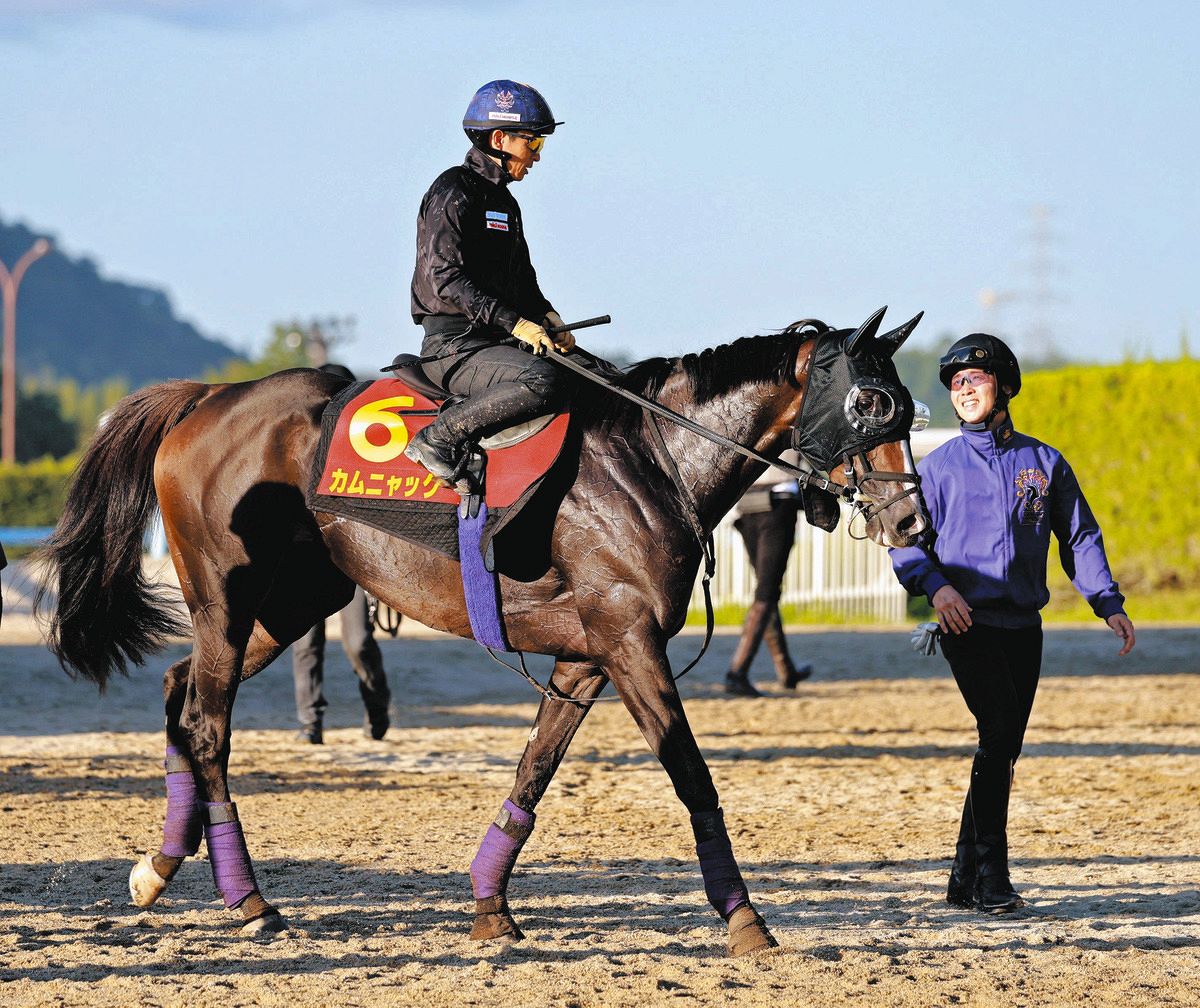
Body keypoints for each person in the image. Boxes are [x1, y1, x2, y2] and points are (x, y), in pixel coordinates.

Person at [889, 333, 1135, 913]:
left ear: (1002, 382)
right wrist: (938, 587)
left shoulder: (1045, 463)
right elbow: (903, 542)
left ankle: (961, 878)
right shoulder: (938, 467)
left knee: (1001, 746)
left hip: (1025, 627)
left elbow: (1079, 535)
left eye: (973, 378)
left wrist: (1108, 601)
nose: (963, 389)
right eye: (954, 383)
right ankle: (993, 877)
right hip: (963, 622)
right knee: (999, 735)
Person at [403, 79, 579, 493]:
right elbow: (445, 279)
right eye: (532, 144)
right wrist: (516, 323)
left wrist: (548, 316)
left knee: (592, 375)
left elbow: (522, 279)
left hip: (496, 343)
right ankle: (438, 439)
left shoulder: (505, 203)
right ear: (500, 138)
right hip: (453, 348)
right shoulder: (453, 191)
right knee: (543, 382)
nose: (536, 157)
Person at [294, 363, 393, 744]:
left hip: (353, 562)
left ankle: (377, 707)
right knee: (306, 644)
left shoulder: (365, 448)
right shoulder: (295, 445)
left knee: (360, 643)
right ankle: (310, 723)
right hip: (306, 563)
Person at [724, 452, 814, 696]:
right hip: (778, 504)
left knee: (766, 592)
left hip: (746, 503)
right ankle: (737, 672)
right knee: (767, 592)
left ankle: (786, 670)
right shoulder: (792, 416)